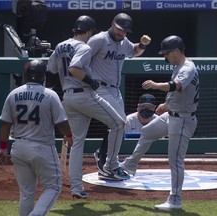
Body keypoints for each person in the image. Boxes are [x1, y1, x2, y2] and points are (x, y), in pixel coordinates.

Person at [47, 15, 130, 199]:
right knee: (119, 123)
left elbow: (51, 71)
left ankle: (76, 188)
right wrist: (92, 81)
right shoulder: (84, 47)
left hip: (68, 97)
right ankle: (110, 166)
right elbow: (74, 69)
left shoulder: (60, 45)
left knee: (77, 144)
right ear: (90, 31)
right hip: (84, 95)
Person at [120, 35, 199, 210]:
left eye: (167, 53)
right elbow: (180, 93)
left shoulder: (186, 67)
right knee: (147, 131)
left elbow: (176, 86)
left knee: (175, 161)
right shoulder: (180, 65)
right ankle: (130, 165)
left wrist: (155, 85)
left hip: (183, 120)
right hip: (172, 114)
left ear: (176, 51)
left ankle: (176, 200)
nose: (165, 57)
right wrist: (166, 104)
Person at [0, 59, 73, 216]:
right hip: (42, 147)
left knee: (26, 193)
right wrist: (69, 135)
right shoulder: (50, 95)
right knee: (54, 187)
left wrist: (3, 147)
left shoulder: (14, 93)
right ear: (42, 76)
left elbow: (5, 124)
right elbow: (62, 122)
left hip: (18, 147)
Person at [88, 13, 151, 177]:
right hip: (99, 87)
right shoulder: (98, 39)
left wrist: (142, 45)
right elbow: (82, 60)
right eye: (119, 29)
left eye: (124, 31)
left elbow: (134, 51)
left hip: (115, 89)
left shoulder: (123, 42)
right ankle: (110, 164)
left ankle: (103, 157)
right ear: (112, 24)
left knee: (116, 125)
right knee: (119, 123)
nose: (121, 33)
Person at [94, 94, 158, 171]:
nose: (146, 109)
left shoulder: (158, 121)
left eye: (149, 107)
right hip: (128, 154)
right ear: (138, 107)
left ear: (154, 108)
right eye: (143, 106)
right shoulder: (128, 120)